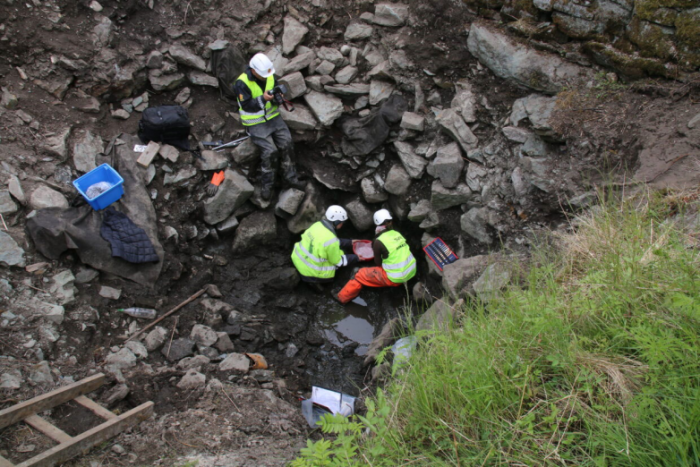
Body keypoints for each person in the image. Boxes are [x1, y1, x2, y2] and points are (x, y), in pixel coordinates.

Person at [234, 53, 304, 200]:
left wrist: (277, 99)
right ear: (253, 71)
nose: (266, 77)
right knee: (270, 151)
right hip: (255, 122)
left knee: (287, 143)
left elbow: (276, 88)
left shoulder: (270, 76)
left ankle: (290, 179)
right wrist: (262, 99)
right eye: (262, 75)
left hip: (272, 117)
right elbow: (246, 106)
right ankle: (268, 186)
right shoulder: (242, 83)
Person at [336, 209, 416, 304]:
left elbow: (378, 263)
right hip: (411, 270)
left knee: (358, 274)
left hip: (396, 277)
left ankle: (342, 298)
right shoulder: (397, 234)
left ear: (377, 224)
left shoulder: (379, 241)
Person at [291, 206, 359, 289]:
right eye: (342, 222)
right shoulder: (330, 239)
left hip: (297, 259)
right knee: (341, 254)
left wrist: (350, 242)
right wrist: (357, 257)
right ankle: (316, 282)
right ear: (337, 222)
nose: (342, 224)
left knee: (334, 251)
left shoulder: (317, 225)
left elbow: (327, 242)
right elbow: (339, 262)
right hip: (311, 272)